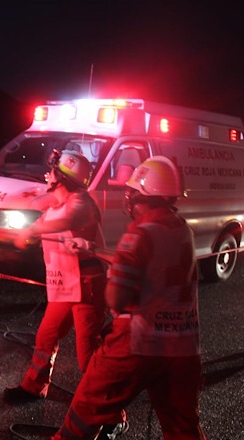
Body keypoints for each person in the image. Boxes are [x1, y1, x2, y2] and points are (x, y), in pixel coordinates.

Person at [51, 156, 206, 440]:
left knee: (84, 412)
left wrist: (114, 275)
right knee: (183, 427)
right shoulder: (183, 230)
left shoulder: (138, 233)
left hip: (137, 344)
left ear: (140, 195)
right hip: (182, 344)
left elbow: (117, 298)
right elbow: (155, 267)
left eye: (132, 191)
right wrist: (95, 249)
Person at [3, 149, 107, 403]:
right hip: (67, 284)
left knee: (87, 353)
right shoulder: (59, 204)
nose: (47, 175)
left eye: (52, 171)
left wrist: (28, 230)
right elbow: (48, 225)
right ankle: (34, 386)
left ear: (62, 178)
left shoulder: (80, 203)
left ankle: (111, 413)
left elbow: (60, 222)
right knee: (46, 336)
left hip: (86, 285)